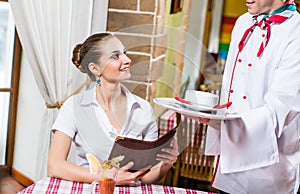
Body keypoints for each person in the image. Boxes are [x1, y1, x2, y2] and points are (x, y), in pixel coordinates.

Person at [195, 0, 300, 193]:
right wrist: (214, 116)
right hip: (228, 168)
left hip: (267, 175)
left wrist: (220, 122)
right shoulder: (243, 22)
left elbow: (279, 111)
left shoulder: (296, 34)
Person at [47, 33, 178, 185]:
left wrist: (165, 165)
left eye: (125, 53)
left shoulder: (143, 109)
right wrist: (106, 178)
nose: (127, 60)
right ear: (95, 69)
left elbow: (146, 176)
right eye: (116, 56)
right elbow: (55, 166)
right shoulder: (74, 107)